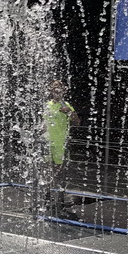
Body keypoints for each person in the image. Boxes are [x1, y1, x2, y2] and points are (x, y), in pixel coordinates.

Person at [41, 80, 81, 218]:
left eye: (59, 89)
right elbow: (44, 124)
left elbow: (77, 121)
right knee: (47, 170)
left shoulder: (66, 105)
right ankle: (47, 196)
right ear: (51, 91)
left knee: (60, 172)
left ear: (63, 91)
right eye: (54, 89)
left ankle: (60, 198)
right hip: (48, 143)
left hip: (60, 144)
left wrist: (69, 112)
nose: (56, 91)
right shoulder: (47, 106)